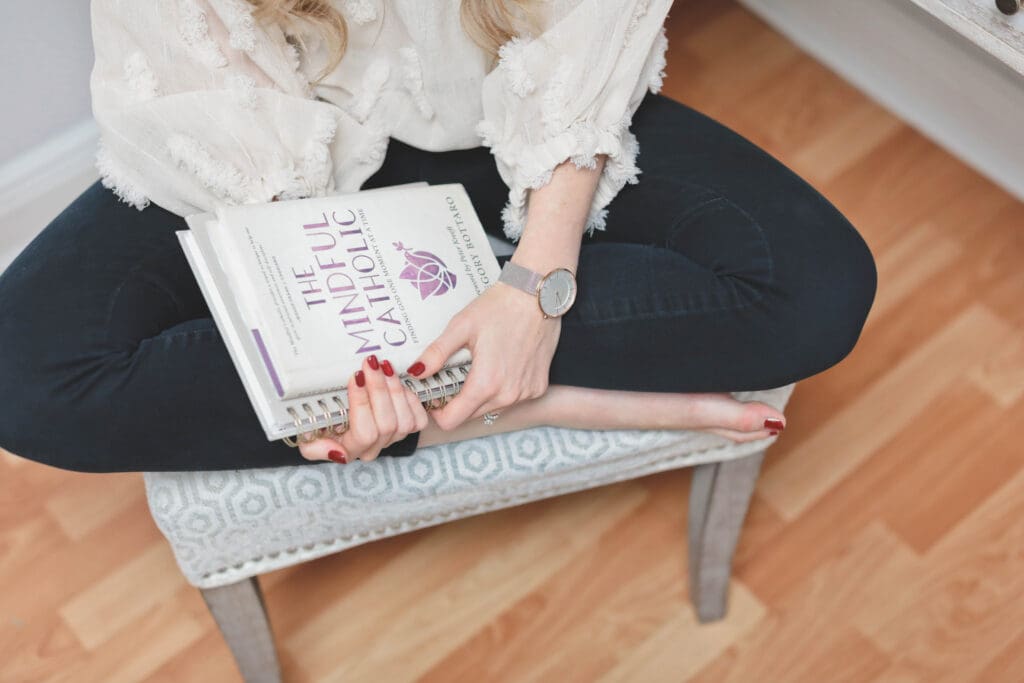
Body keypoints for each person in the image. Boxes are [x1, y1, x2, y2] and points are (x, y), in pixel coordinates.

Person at [0, 0, 876, 472]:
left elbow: (583, 33)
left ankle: (495, 375)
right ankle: (520, 404)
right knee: (23, 376)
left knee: (818, 287)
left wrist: (536, 285)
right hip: (273, 129)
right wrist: (337, 346)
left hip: (510, 105)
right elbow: (211, 99)